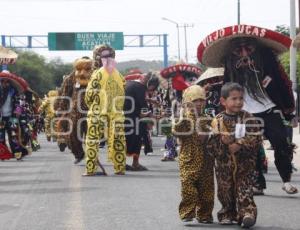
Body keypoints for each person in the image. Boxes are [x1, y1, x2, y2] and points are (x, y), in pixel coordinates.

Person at [197, 24, 298, 195]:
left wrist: (290, 112)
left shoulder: (268, 62)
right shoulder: (231, 69)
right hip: (244, 114)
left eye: (248, 49)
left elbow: (284, 85)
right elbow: (226, 89)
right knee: (249, 148)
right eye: (239, 51)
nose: (244, 54)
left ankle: (286, 180)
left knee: (281, 143)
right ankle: (257, 183)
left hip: (270, 110)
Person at [209, 83, 261, 228]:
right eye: (234, 99)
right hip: (224, 165)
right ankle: (227, 213)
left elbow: (256, 137)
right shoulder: (217, 121)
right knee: (225, 190)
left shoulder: (248, 118)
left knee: (244, 189)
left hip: (245, 164)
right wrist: (222, 142)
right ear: (223, 101)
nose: (238, 102)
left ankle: (247, 214)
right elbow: (211, 146)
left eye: (240, 98)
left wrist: (239, 144)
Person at [173, 85, 214, 224]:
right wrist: (181, 115)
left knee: (206, 189)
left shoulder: (207, 118)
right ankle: (187, 212)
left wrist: (208, 134)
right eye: (195, 100)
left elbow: (215, 131)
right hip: (188, 157)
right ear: (188, 101)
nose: (199, 103)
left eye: (201, 100)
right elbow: (176, 131)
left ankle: (204, 214)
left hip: (206, 159)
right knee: (188, 185)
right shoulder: (184, 118)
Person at [84, 45, 126, 176]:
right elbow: (123, 95)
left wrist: (93, 106)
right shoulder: (119, 75)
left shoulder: (97, 74)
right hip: (117, 113)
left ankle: (90, 170)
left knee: (92, 141)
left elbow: (89, 95)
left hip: (98, 113)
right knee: (119, 141)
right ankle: (120, 168)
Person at [124, 72, 160, 171]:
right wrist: (153, 118)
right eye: (153, 87)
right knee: (137, 140)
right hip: (132, 117)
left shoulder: (131, 83)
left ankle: (120, 162)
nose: (152, 90)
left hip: (123, 115)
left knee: (124, 140)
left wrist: (150, 101)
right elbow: (143, 106)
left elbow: (136, 98)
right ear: (151, 85)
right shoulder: (141, 87)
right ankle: (135, 164)